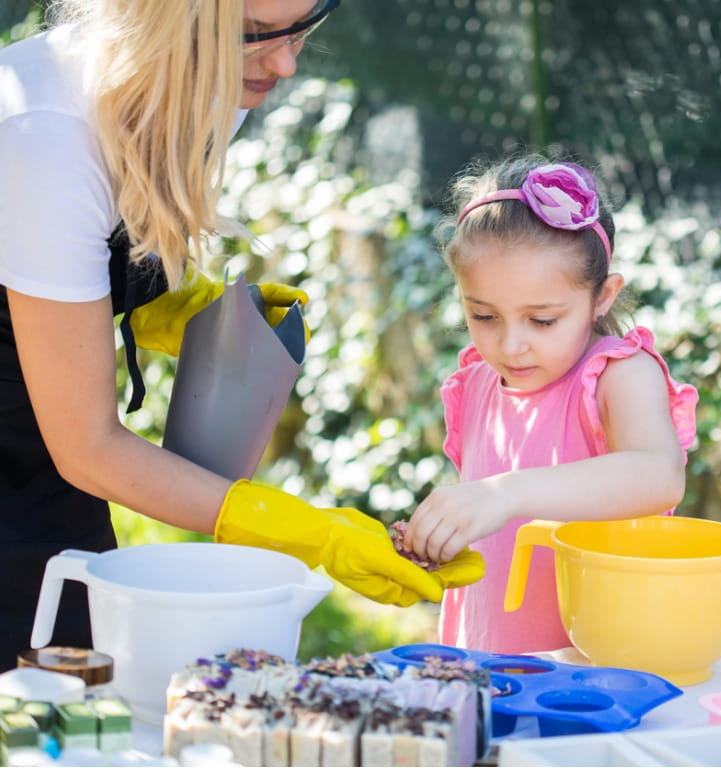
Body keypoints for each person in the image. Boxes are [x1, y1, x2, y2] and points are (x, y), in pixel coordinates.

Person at [0, 0, 482, 671]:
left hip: (41, 451)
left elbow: (96, 246)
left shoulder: (215, 79)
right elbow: (86, 446)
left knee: (82, 685)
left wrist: (169, 307)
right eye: (255, 36)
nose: (285, 63)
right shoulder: (42, 135)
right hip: (39, 450)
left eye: (305, 24)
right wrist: (304, 533)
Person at [403, 155, 699, 654]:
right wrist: (442, 536)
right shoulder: (476, 382)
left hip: (593, 677)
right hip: (487, 662)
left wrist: (503, 493)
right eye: (483, 314)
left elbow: (659, 474)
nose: (510, 345)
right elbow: (495, 541)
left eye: (541, 321)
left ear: (602, 296)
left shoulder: (617, 375)